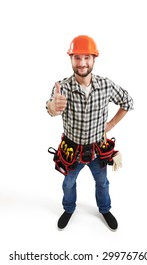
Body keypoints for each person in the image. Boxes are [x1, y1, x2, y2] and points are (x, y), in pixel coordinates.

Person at [46, 35, 134, 231]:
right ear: (71, 59)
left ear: (94, 59)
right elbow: (51, 109)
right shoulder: (62, 88)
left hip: (97, 150)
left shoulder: (106, 85)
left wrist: (110, 125)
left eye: (87, 57)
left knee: (102, 182)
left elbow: (128, 102)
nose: (82, 63)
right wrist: (53, 106)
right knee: (68, 184)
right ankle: (69, 209)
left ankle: (104, 209)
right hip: (71, 151)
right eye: (77, 57)